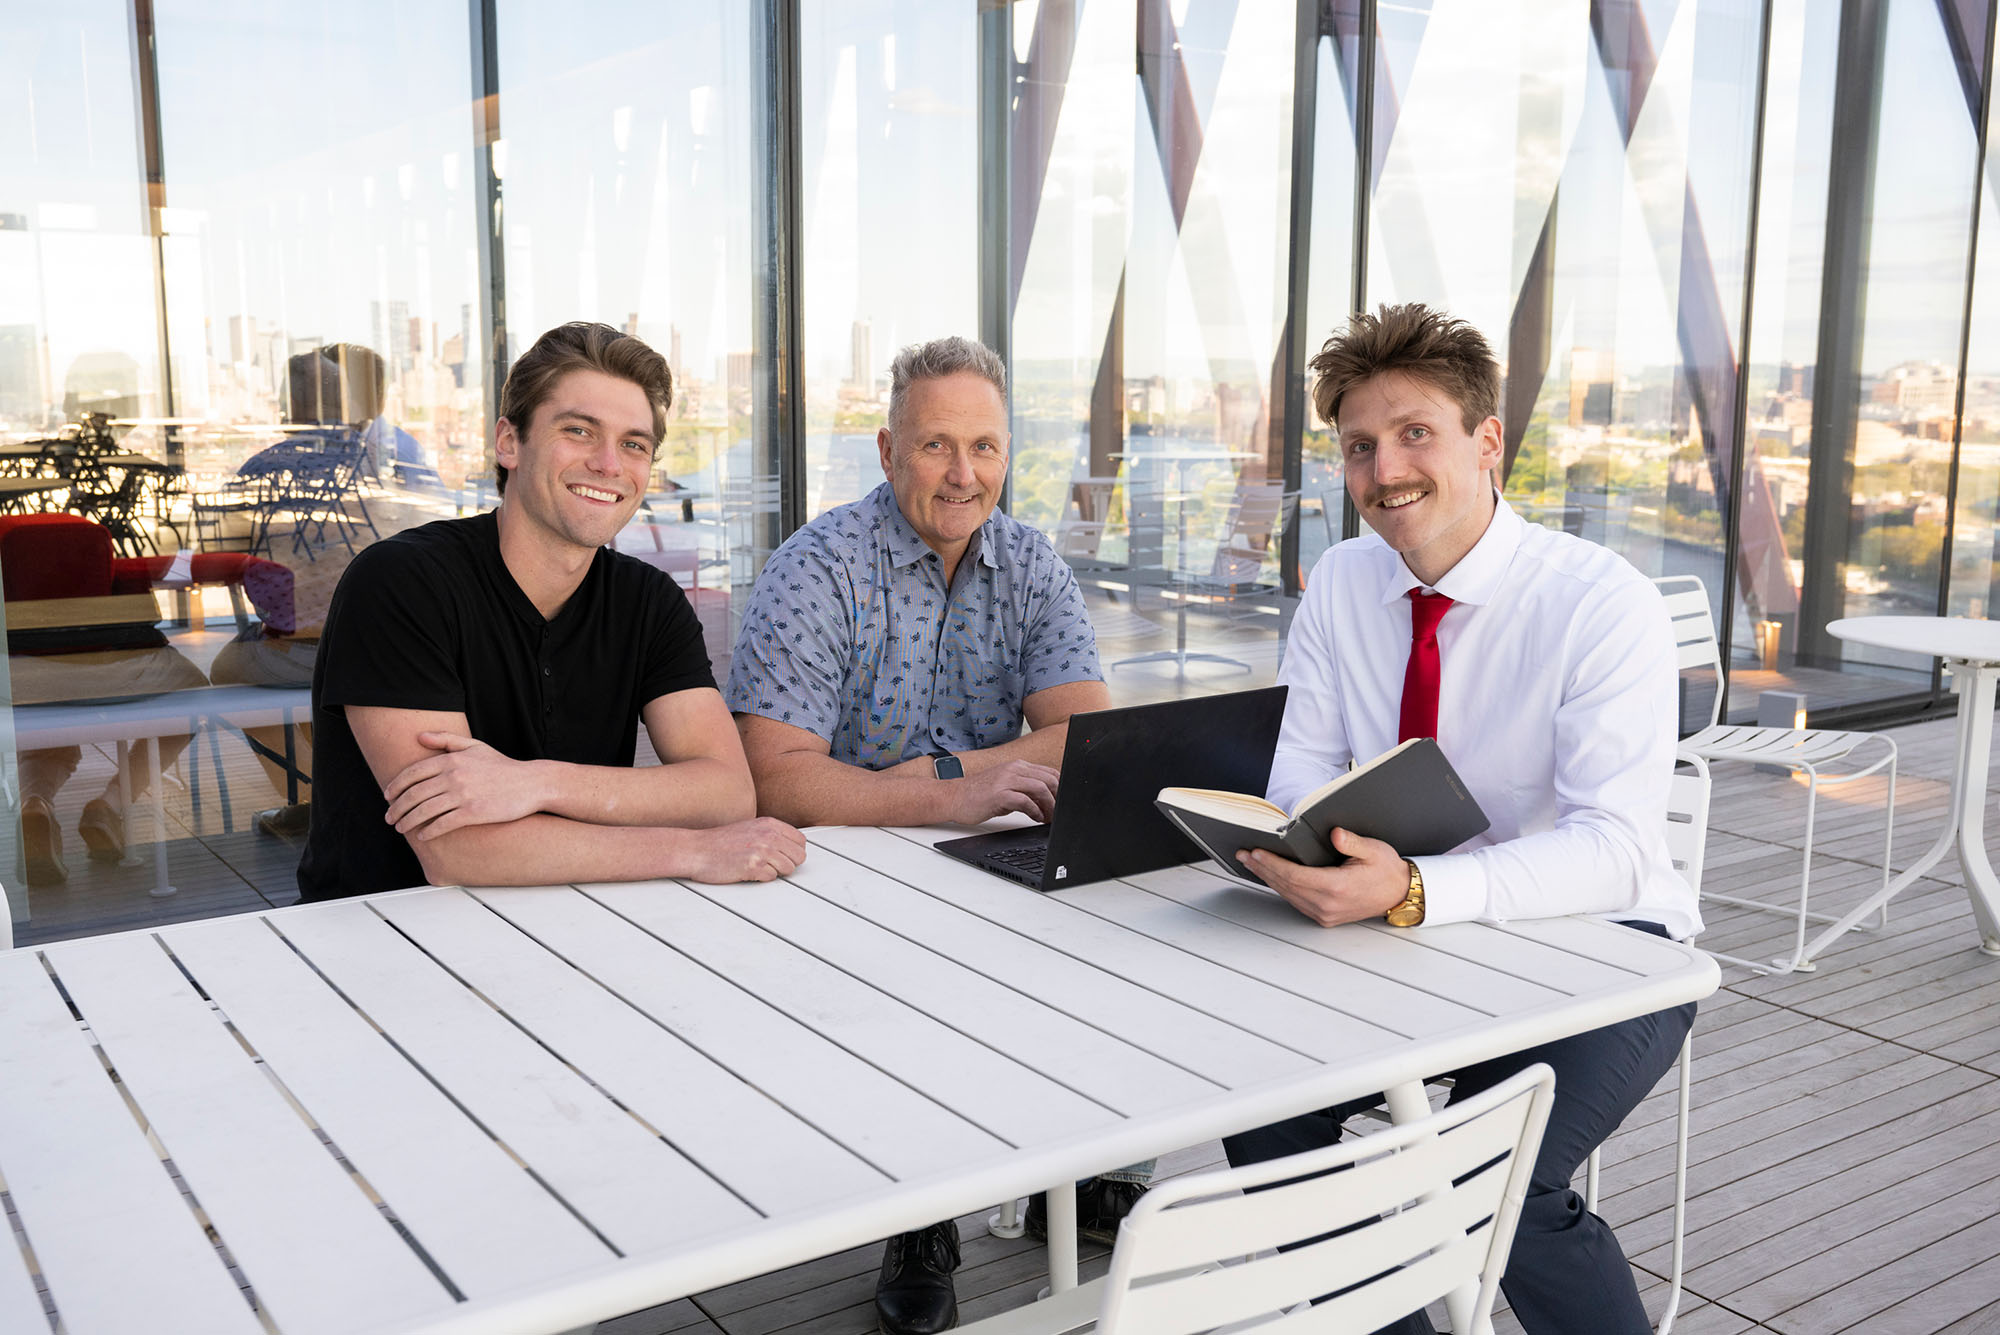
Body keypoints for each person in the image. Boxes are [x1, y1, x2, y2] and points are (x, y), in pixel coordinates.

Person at [1220, 304, 1699, 1335]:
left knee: (1493, 1184)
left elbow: (1614, 853)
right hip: (1401, 938)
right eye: (1357, 446)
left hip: (1605, 951)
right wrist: (1307, 847)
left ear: (1487, 443)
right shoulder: (1343, 582)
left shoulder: (1596, 604)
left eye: (1413, 433)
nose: (1383, 469)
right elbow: (1301, 768)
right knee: (1257, 1121)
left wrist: (1418, 888)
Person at [726, 335, 1132, 1335]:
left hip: (988, 840)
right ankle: (923, 1217)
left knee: (1120, 922)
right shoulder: (817, 568)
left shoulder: (1028, 562)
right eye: (937, 446)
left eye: (985, 447)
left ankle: (1070, 1173)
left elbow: (1084, 738)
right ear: (886, 450)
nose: (964, 475)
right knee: (919, 990)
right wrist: (961, 791)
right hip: (843, 868)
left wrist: (938, 777)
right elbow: (780, 782)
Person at [297, 321, 804, 902]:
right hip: (383, 937)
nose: (610, 464)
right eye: (579, 431)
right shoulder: (402, 584)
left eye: (634, 443)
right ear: (509, 442)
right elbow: (457, 849)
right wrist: (692, 850)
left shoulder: (647, 602)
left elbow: (726, 793)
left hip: (575, 916)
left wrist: (533, 783)